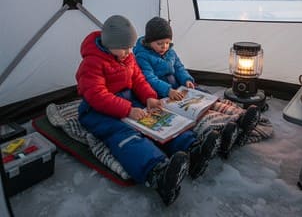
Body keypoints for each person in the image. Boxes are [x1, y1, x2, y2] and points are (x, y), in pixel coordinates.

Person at [76, 15, 219, 206]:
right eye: (125, 47)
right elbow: (97, 96)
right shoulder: (92, 63)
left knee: (157, 122)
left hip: (127, 100)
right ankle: (157, 173)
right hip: (96, 111)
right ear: (110, 44)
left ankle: (192, 148)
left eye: (130, 47)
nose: (129, 51)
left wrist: (149, 98)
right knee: (123, 134)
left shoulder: (127, 57)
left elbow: (138, 80)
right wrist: (128, 110)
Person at [133, 16, 260, 159]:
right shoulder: (143, 56)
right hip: (163, 94)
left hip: (179, 89)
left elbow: (179, 67)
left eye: (167, 43)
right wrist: (168, 90)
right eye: (160, 43)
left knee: (204, 98)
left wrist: (187, 79)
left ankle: (240, 117)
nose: (164, 47)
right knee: (194, 112)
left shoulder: (170, 52)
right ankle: (221, 127)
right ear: (149, 42)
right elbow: (149, 79)